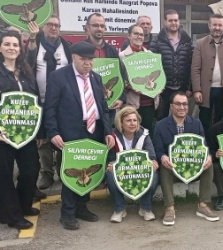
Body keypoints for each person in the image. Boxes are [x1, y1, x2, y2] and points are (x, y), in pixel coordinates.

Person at [43, 41, 116, 230]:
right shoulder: (58, 77)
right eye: (83, 59)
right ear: (73, 57)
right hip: (70, 132)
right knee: (72, 172)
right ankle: (67, 212)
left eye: (91, 59)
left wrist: (108, 131)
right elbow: (49, 108)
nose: (88, 63)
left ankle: (82, 207)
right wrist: (53, 132)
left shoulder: (96, 78)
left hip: (94, 129)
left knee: (88, 170)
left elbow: (103, 107)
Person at [0, 30, 41, 230]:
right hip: (2, 135)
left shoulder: (26, 72)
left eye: (15, 45)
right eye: (7, 44)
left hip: (26, 133)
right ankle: (12, 216)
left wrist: (38, 130)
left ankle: (24, 206)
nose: (12, 48)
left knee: (31, 170)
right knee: (4, 176)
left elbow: (35, 102)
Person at [152, 92, 219, 225]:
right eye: (178, 104)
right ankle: (170, 208)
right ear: (171, 106)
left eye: (184, 104)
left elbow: (204, 146)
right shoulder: (160, 125)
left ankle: (203, 205)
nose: (182, 107)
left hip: (192, 167)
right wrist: (163, 157)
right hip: (173, 169)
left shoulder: (196, 124)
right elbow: (158, 150)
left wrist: (209, 157)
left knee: (209, 164)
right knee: (166, 166)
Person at [26, 15, 74, 191]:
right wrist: (31, 39)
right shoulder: (35, 44)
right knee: (44, 138)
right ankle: (47, 172)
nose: (54, 28)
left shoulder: (67, 47)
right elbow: (26, 65)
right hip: (40, 99)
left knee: (62, 135)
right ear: (43, 27)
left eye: (57, 25)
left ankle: (62, 169)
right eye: (50, 25)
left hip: (63, 102)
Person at [105, 106, 160, 223]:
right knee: (110, 173)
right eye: (128, 120)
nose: (132, 123)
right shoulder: (113, 136)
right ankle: (119, 209)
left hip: (140, 170)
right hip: (122, 171)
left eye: (135, 120)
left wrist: (153, 162)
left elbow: (151, 156)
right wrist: (112, 164)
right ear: (121, 122)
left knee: (154, 174)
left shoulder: (144, 135)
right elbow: (111, 158)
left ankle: (145, 208)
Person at [192, 14, 223, 134]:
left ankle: (219, 148)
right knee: (204, 120)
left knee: (221, 120)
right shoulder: (200, 43)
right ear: (209, 26)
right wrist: (197, 90)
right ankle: (205, 147)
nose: (217, 27)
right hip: (205, 91)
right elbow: (195, 68)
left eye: (220, 25)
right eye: (214, 25)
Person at [150, 9, 194, 119]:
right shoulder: (156, 41)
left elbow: (191, 65)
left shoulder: (187, 41)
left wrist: (190, 87)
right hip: (163, 89)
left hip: (182, 87)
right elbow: (152, 66)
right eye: (170, 20)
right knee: (161, 118)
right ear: (164, 22)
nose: (173, 23)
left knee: (181, 117)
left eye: (176, 20)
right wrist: (156, 88)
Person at [120, 25, 159, 133]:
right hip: (132, 103)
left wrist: (159, 86)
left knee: (147, 133)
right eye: (135, 34)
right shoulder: (122, 56)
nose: (139, 36)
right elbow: (120, 80)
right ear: (129, 36)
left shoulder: (150, 55)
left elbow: (157, 75)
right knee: (131, 133)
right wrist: (131, 86)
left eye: (141, 34)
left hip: (149, 102)